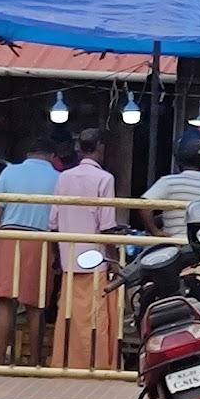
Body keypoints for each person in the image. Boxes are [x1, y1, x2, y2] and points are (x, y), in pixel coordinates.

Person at [0, 133, 60, 363]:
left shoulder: (10, 171)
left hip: (9, 238)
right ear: (52, 156)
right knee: (36, 308)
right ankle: (34, 364)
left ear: (28, 154)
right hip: (40, 241)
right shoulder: (58, 178)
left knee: (5, 306)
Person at [49, 127, 119, 370]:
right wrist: (115, 260)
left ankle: (65, 363)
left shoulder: (64, 177)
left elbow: (53, 223)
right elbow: (108, 226)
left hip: (69, 259)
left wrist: (56, 257)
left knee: (69, 316)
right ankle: (95, 365)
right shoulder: (105, 179)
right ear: (100, 146)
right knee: (95, 318)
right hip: (95, 260)